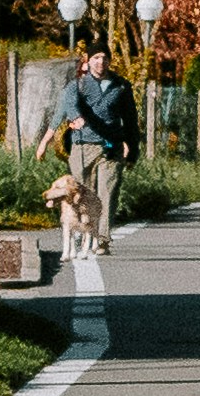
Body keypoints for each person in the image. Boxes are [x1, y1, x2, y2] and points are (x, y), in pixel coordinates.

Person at [54, 43, 138, 264]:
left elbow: (130, 120)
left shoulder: (121, 86)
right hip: (83, 145)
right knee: (82, 192)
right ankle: (83, 232)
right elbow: (70, 103)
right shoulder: (78, 85)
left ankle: (102, 239)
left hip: (111, 146)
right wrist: (76, 117)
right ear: (88, 60)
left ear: (110, 60)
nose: (101, 62)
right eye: (96, 57)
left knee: (107, 193)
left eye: (104, 57)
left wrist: (133, 149)